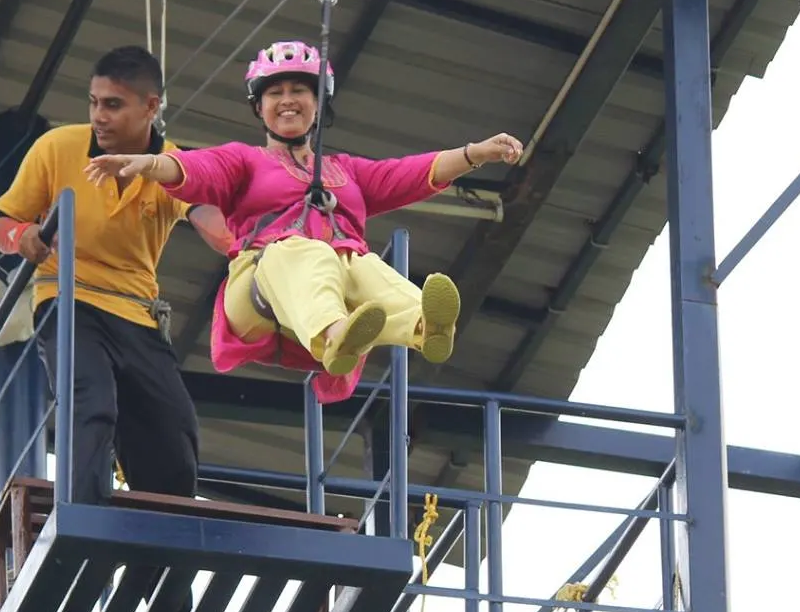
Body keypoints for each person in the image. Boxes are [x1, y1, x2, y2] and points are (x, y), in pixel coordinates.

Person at [84, 40, 523, 402]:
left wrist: (474, 154)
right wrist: (149, 163)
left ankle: (422, 326)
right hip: (258, 287)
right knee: (304, 250)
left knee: (363, 264)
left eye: (300, 90)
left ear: (319, 103)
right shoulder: (244, 160)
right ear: (259, 107)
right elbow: (197, 171)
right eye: (275, 93)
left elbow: (409, 172)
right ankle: (334, 335)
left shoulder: (346, 170)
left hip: (334, 287)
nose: (288, 100)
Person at [0, 46, 233, 504]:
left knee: (175, 434)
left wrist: (250, 244)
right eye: (94, 102)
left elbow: (210, 220)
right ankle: (84, 516)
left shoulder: (174, 165)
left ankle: (160, 561)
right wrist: (22, 236)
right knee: (92, 405)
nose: (99, 115)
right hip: (67, 300)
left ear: (151, 107)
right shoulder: (57, 147)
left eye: (113, 104)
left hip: (138, 314)